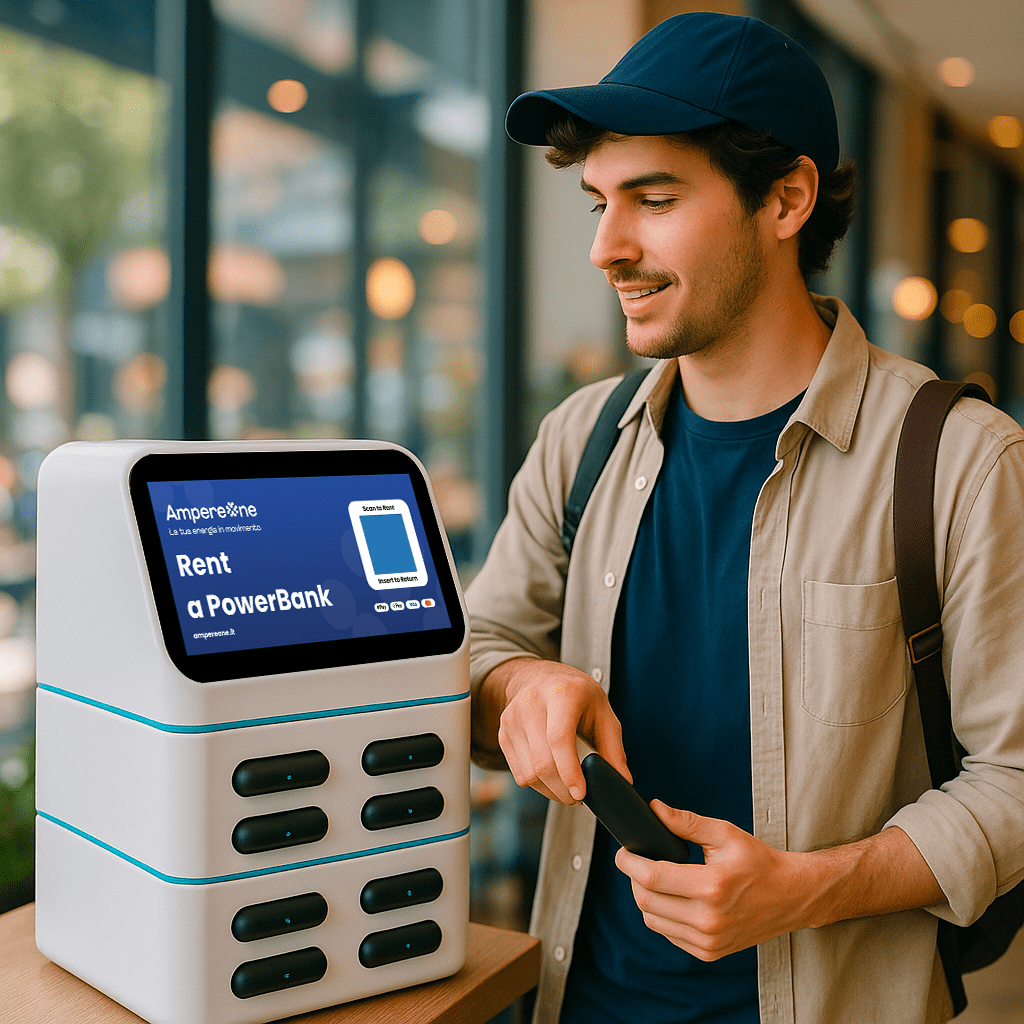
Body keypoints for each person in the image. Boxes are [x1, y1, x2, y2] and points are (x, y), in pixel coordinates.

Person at [465, 11, 1024, 1024]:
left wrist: (803, 889)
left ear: (786, 198)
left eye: (655, 200)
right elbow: (478, 650)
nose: (605, 247)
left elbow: (1017, 781)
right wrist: (520, 682)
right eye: (597, 202)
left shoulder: (959, 459)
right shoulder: (581, 437)